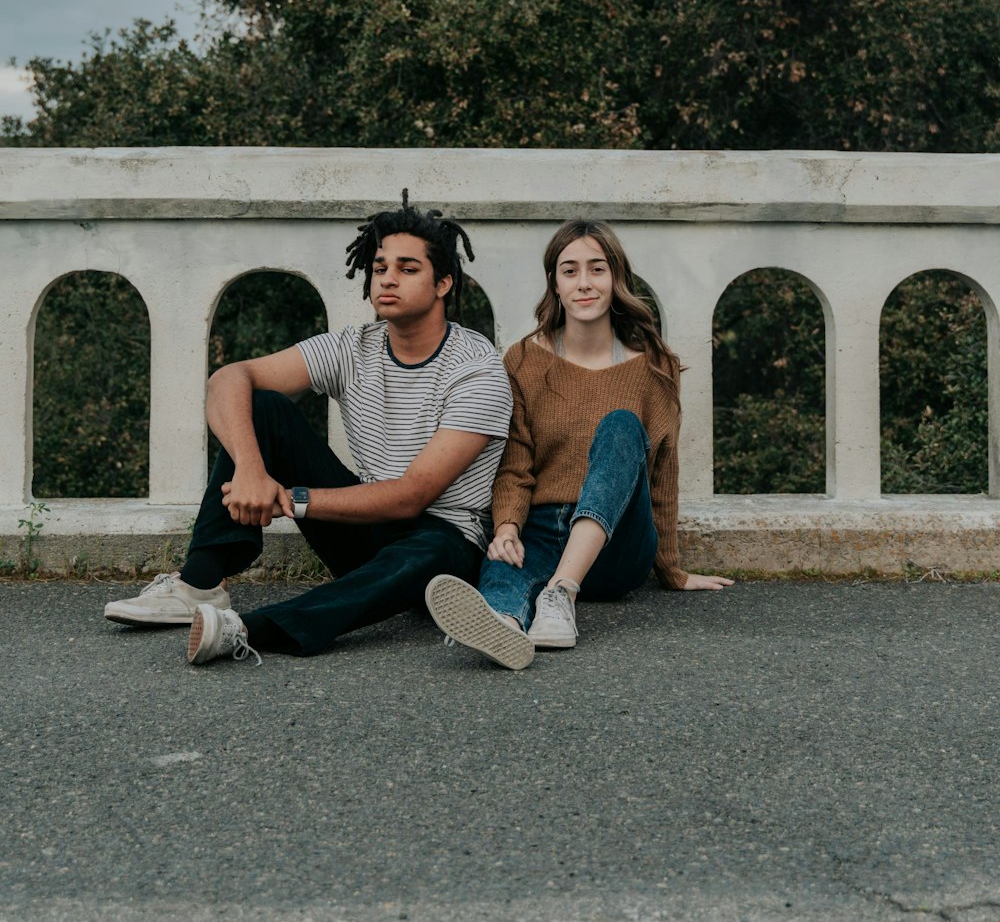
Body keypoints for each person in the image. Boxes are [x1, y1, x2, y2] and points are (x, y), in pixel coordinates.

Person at [103, 193, 512, 667]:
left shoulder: (477, 369)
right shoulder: (353, 347)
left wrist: (288, 500)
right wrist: (254, 471)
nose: (388, 279)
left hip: (445, 548)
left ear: (443, 283)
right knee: (263, 406)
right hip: (368, 533)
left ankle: (248, 629)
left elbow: (411, 497)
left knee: (433, 548)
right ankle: (199, 585)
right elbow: (228, 379)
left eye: (407, 268)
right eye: (380, 268)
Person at [425, 219, 733, 669]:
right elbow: (514, 462)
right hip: (545, 528)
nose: (584, 284)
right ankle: (502, 625)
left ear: (617, 279)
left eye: (597, 269)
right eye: (570, 271)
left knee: (622, 426)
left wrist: (671, 570)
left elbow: (663, 475)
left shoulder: (654, 368)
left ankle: (560, 593)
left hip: (618, 546)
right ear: (554, 282)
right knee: (506, 558)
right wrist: (508, 527)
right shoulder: (524, 359)